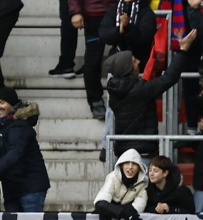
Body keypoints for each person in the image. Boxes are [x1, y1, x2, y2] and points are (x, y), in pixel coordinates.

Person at [103, 30, 195, 159]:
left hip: (124, 153)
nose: (138, 61)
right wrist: (183, 50)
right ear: (127, 68)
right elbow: (169, 78)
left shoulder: (115, 91)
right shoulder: (140, 90)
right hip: (142, 153)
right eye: (134, 61)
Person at [0, 87, 51, 212]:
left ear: (12, 104)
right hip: (11, 189)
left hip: (30, 188)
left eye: (2, 102)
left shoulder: (19, 126)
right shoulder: (1, 125)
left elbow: (14, 153)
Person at [67, 0, 113, 118]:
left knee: (125, 55)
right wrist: (75, 12)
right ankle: (95, 100)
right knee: (93, 59)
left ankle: (125, 96)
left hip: (119, 11)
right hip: (93, 14)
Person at [93, 148, 147, 220]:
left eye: (134, 164)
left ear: (139, 167)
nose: (130, 167)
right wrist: (124, 214)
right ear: (121, 165)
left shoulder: (144, 183)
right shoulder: (112, 177)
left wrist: (112, 209)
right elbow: (100, 203)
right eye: (127, 163)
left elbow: (138, 208)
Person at [99, 0, 157, 70]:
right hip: (117, 59)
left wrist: (128, 28)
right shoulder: (113, 10)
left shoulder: (146, 12)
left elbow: (145, 38)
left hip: (140, 62)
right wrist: (119, 31)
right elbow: (104, 35)